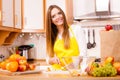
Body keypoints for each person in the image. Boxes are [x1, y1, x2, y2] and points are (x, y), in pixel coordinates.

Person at [46, 5, 87, 70]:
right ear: (51, 21)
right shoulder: (53, 36)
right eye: (53, 16)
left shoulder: (76, 29)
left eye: (59, 13)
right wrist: (52, 60)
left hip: (74, 72)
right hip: (58, 72)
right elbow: (48, 59)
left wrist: (77, 67)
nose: (58, 17)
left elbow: (83, 54)